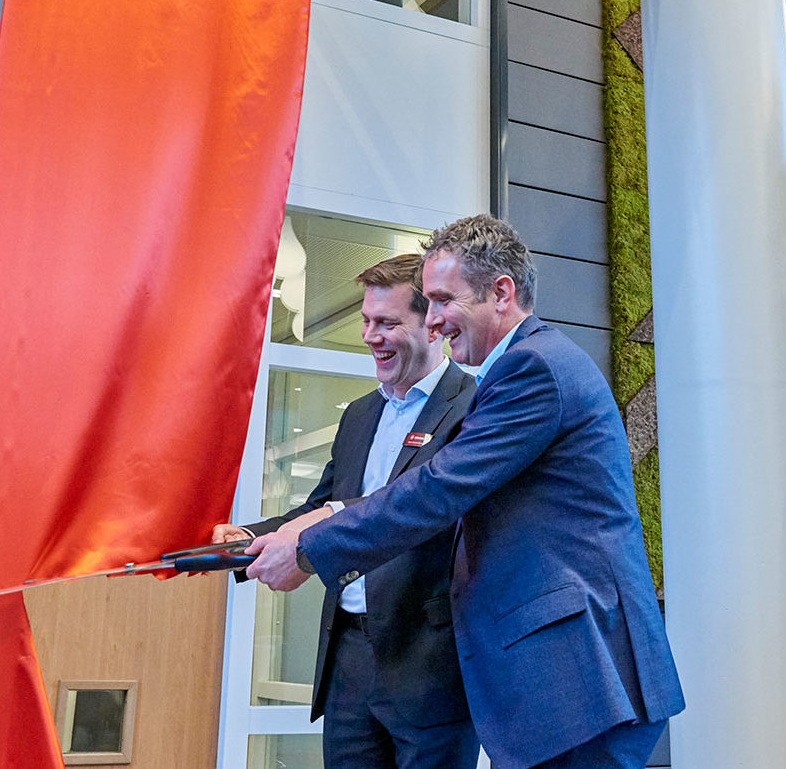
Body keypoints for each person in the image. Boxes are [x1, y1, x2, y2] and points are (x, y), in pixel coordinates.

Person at [246, 215, 683, 769]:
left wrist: (311, 548)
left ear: (502, 292)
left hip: (579, 679)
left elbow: (435, 490)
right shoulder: (519, 370)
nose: (433, 321)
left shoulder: (533, 369)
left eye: (443, 300)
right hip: (560, 683)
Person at [218, 255, 478, 769]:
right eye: (365, 321)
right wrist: (246, 537)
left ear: (431, 326)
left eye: (386, 323)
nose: (369, 336)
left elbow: (424, 510)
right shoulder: (360, 414)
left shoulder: (474, 407)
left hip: (429, 662)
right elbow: (322, 507)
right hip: (349, 658)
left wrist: (313, 538)